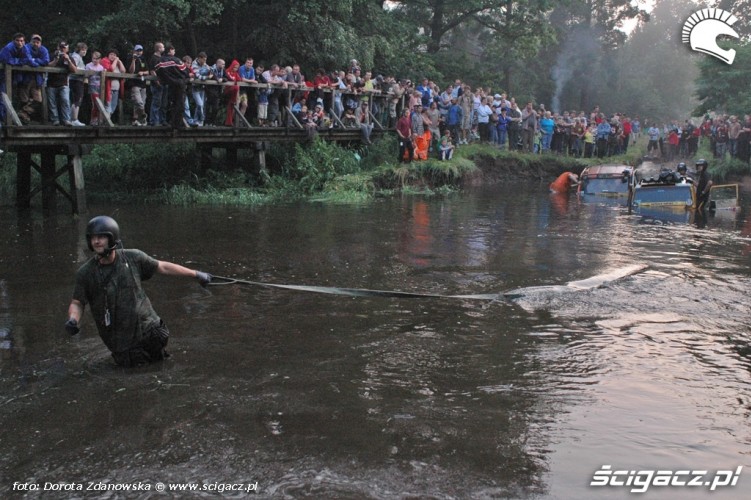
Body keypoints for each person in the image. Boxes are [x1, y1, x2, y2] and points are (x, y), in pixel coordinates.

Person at [65, 216, 212, 368]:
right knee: (134, 374)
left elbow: (162, 267)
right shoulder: (86, 273)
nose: (96, 242)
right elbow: (77, 302)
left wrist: (195, 274)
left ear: (112, 237)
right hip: (122, 342)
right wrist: (73, 320)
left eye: (101, 237)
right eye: (93, 238)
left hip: (150, 330)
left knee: (162, 367)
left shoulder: (133, 258)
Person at [155, 45, 191, 128]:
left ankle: (167, 121)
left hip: (167, 85)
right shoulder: (176, 60)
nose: (174, 52)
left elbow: (157, 71)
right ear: (170, 50)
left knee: (166, 104)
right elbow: (185, 71)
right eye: (174, 50)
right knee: (179, 104)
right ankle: (177, 124)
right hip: (179, 84)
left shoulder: (159, 61)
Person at [46, 41, 77, 126]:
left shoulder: (70, 57)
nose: (62, 49)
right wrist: (56, 59)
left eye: (64, 47)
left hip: (64, 83)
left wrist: (68, 60)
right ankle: (55, 120)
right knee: (52, 102)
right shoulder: (51, 55)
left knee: (65, 101)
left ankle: (66, 119)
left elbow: (74, 70)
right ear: (57, 47)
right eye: (61, 47)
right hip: (51, 83)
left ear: (67, 48)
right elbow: (47, 66)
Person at [127, 44, 149, 126]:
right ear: (134, 51)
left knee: (142, 102)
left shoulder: (143, 59)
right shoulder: (130, 58)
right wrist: (133, 60)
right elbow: (131, 71)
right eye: (137, 50)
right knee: (138, 102)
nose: (139, 52)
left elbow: (147, 71)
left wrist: (143, 72)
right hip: (134, 83)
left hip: (143, 84)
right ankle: (144, 115)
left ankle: (135, 120)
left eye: (140, 50)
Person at [68, 42, 87, 126]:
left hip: (77, 80)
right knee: (77, 99)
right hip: (75, 80)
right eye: (82, 50)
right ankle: (74, 119)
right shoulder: (75, 56)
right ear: (78, 49)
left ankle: (73, 119)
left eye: (85, 50)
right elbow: (73, 67)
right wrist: (84, 71)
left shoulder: (79, 57)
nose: (84, 51)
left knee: (76, 100)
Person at [148, 42, 167, 126]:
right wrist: (157, 81)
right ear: (159, 49)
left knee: (163, 103)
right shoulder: (154, 58)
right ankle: (154, 121)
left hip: (163, 83)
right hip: (156, 84)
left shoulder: (162, 58)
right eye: (162, 47)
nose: (164, 49)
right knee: (156, 102)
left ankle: (161, 120)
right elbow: (152, 71)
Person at [84, 51, 105, 126]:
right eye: (93, 58)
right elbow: (86, 76)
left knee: (99, 104)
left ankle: (97, 119)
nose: (94, 60)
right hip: (92, 85)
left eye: (96, 59)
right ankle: (93, 120)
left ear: (100, 59)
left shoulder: (101, 67)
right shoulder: (88, 65)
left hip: (100, 87)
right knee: (95, 103)